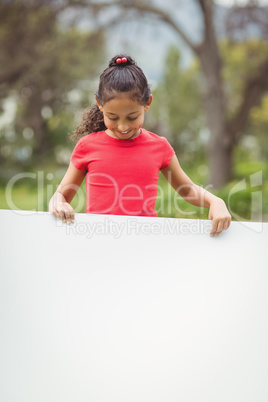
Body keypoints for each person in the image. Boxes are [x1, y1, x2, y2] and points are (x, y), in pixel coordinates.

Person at [49, 54, 231, 237]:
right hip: (98, 242)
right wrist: (57, 202)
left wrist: (215, 202)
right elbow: (61, 195)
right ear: (100, 104)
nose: (123, 126)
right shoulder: (87, 146)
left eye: (132, 117)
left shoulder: (159, 147)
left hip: (143, 242)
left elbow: (187, 189)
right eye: (113, 118)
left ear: (147, 103)